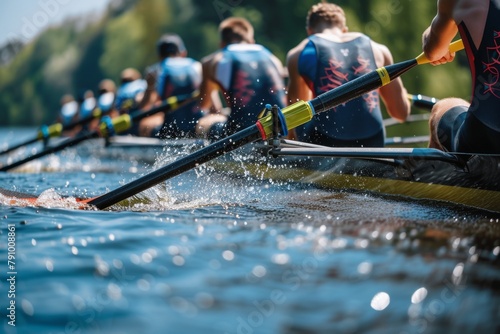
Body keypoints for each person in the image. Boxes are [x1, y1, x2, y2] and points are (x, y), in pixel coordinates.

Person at [286, 2, 411, 147]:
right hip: (372, 143)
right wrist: (403, 95)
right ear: (344, 30)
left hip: (325, 144)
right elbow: (401, 114)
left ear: (309, 31)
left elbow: (296, 118)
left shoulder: (297, 54)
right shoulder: (379, 49)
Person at [422, 0, 500, 154]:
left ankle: (435, 175)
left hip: (486, 135)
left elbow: (432, 52)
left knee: (442, 106)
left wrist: (431, 38)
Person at [196, 17, 287, 139]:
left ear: (222, 44)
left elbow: (204, 104)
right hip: (279, 129)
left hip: (241, 133)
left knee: (203, 122)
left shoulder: (213, 61)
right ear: (251, 40)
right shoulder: (273, 59)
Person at [141, 34, 204, 138]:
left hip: (170, 130)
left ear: (160, 56)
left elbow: (145, 108)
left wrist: (150, 87)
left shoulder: (154, 71)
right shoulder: (197, 66)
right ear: (183, 53)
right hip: (197, 127)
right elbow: (213, 106)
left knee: (145, 123)